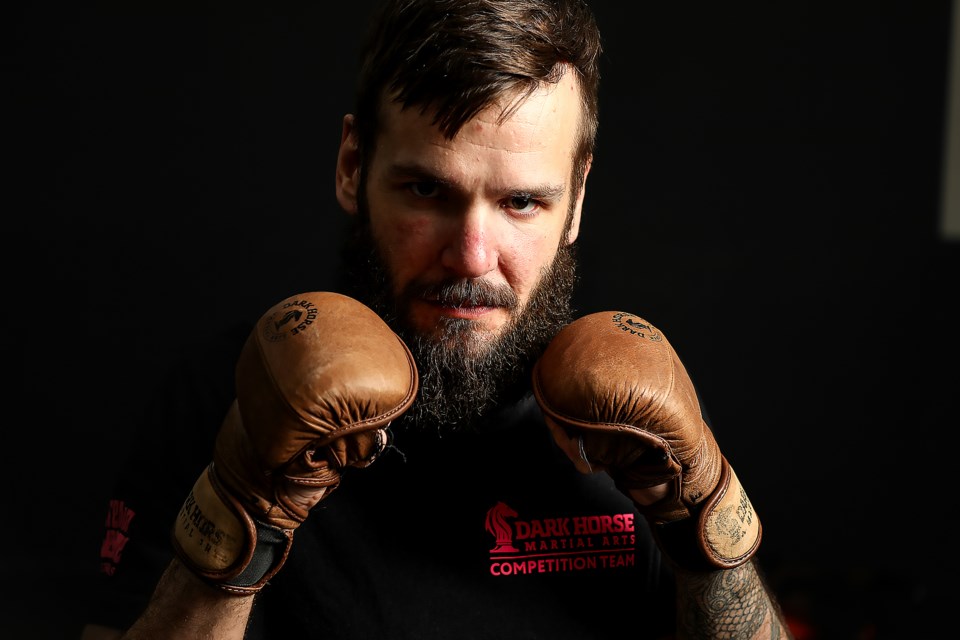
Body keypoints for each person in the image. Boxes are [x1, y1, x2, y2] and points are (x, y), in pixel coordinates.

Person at [80, 0, 794, 638]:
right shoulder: (225, 398)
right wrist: (239, 505)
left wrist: (702, 525)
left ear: (576, 198)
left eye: (521, 202)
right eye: (427, 190)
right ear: (353, 165)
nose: (471, 256)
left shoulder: (638, 428)